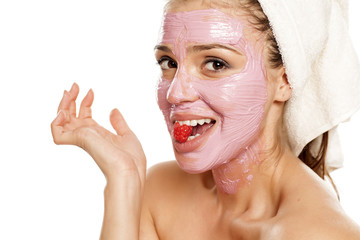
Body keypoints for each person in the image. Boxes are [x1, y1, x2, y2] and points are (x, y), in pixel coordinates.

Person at [51, 0, 360, 239]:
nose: (175, 93)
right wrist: (124, 181)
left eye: (215, 63)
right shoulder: (159, 193)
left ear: (286, 79)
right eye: (169, 62)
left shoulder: (315, 233)